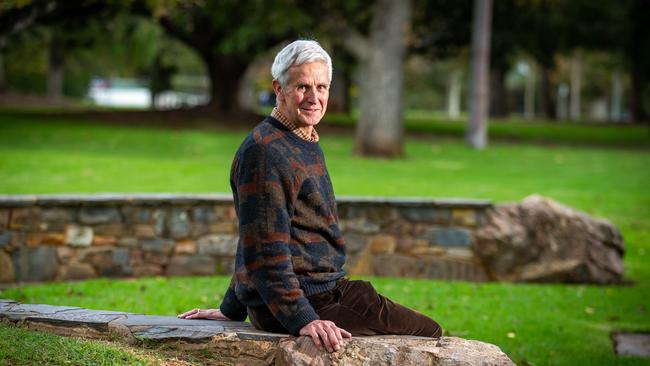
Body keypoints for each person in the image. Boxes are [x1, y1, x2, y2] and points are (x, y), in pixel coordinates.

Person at [178, 40, 442, 353]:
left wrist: (232, 307)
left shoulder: (298, 138)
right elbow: (264, 248)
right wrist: (304, 319)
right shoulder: (266, 153)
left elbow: (255, 233)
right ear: (279, 88)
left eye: (322, 86)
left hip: (318, 291)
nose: (314, 98)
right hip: (310, 299)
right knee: (429, 332)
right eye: (303, 87)